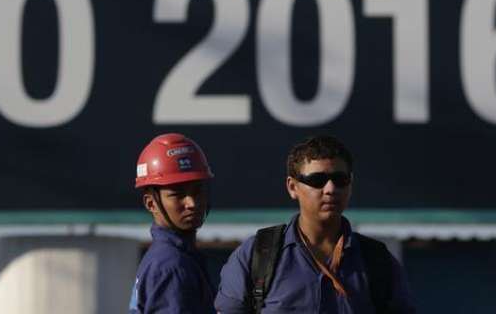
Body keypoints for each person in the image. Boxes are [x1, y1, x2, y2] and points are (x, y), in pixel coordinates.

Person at [215, 135, 415, 314]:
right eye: (317, 180)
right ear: (292, 187)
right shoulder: (257, 254)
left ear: (350, 184)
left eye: (340, 179)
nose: (330, 189)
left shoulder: (377, 259)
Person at [129, 133, 217, 314]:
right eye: (177, 195)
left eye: (197, 191)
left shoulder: (172, 258)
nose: (191, 203)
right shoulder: (171, 265)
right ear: (151, 203)